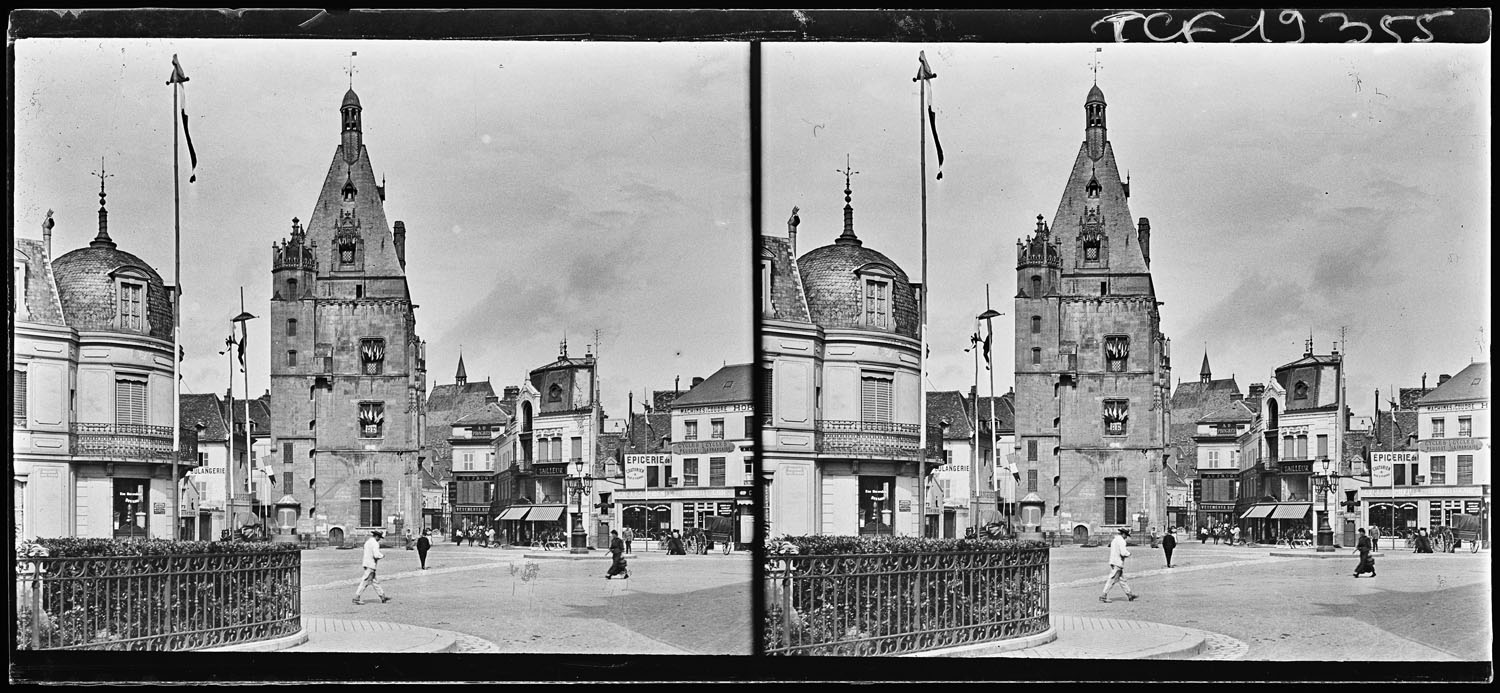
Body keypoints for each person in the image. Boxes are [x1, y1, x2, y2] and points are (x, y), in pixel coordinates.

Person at [352, 529, 392, 605]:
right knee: (365, 581)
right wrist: (382, 556)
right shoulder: (375, 544)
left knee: (374, 582)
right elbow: (376, 555)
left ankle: (382, 596)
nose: (379, 539)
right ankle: (356, 597)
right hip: (371, 564)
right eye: (379, 537)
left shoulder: (368, 542)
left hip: (366, 563)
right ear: (376, 536)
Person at [1100, 527, 1138, 603]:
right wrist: (1129, 554)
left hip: (1113, 561)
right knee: (1112, 579)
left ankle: (1129, 595)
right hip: (1118, 562)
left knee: (1122, 580)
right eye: (1126, 535)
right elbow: (1123, 552)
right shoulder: (1121, 541)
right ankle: (1103, 595)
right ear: (1123, 534)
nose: (1126, 537)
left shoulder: (1114, 540)